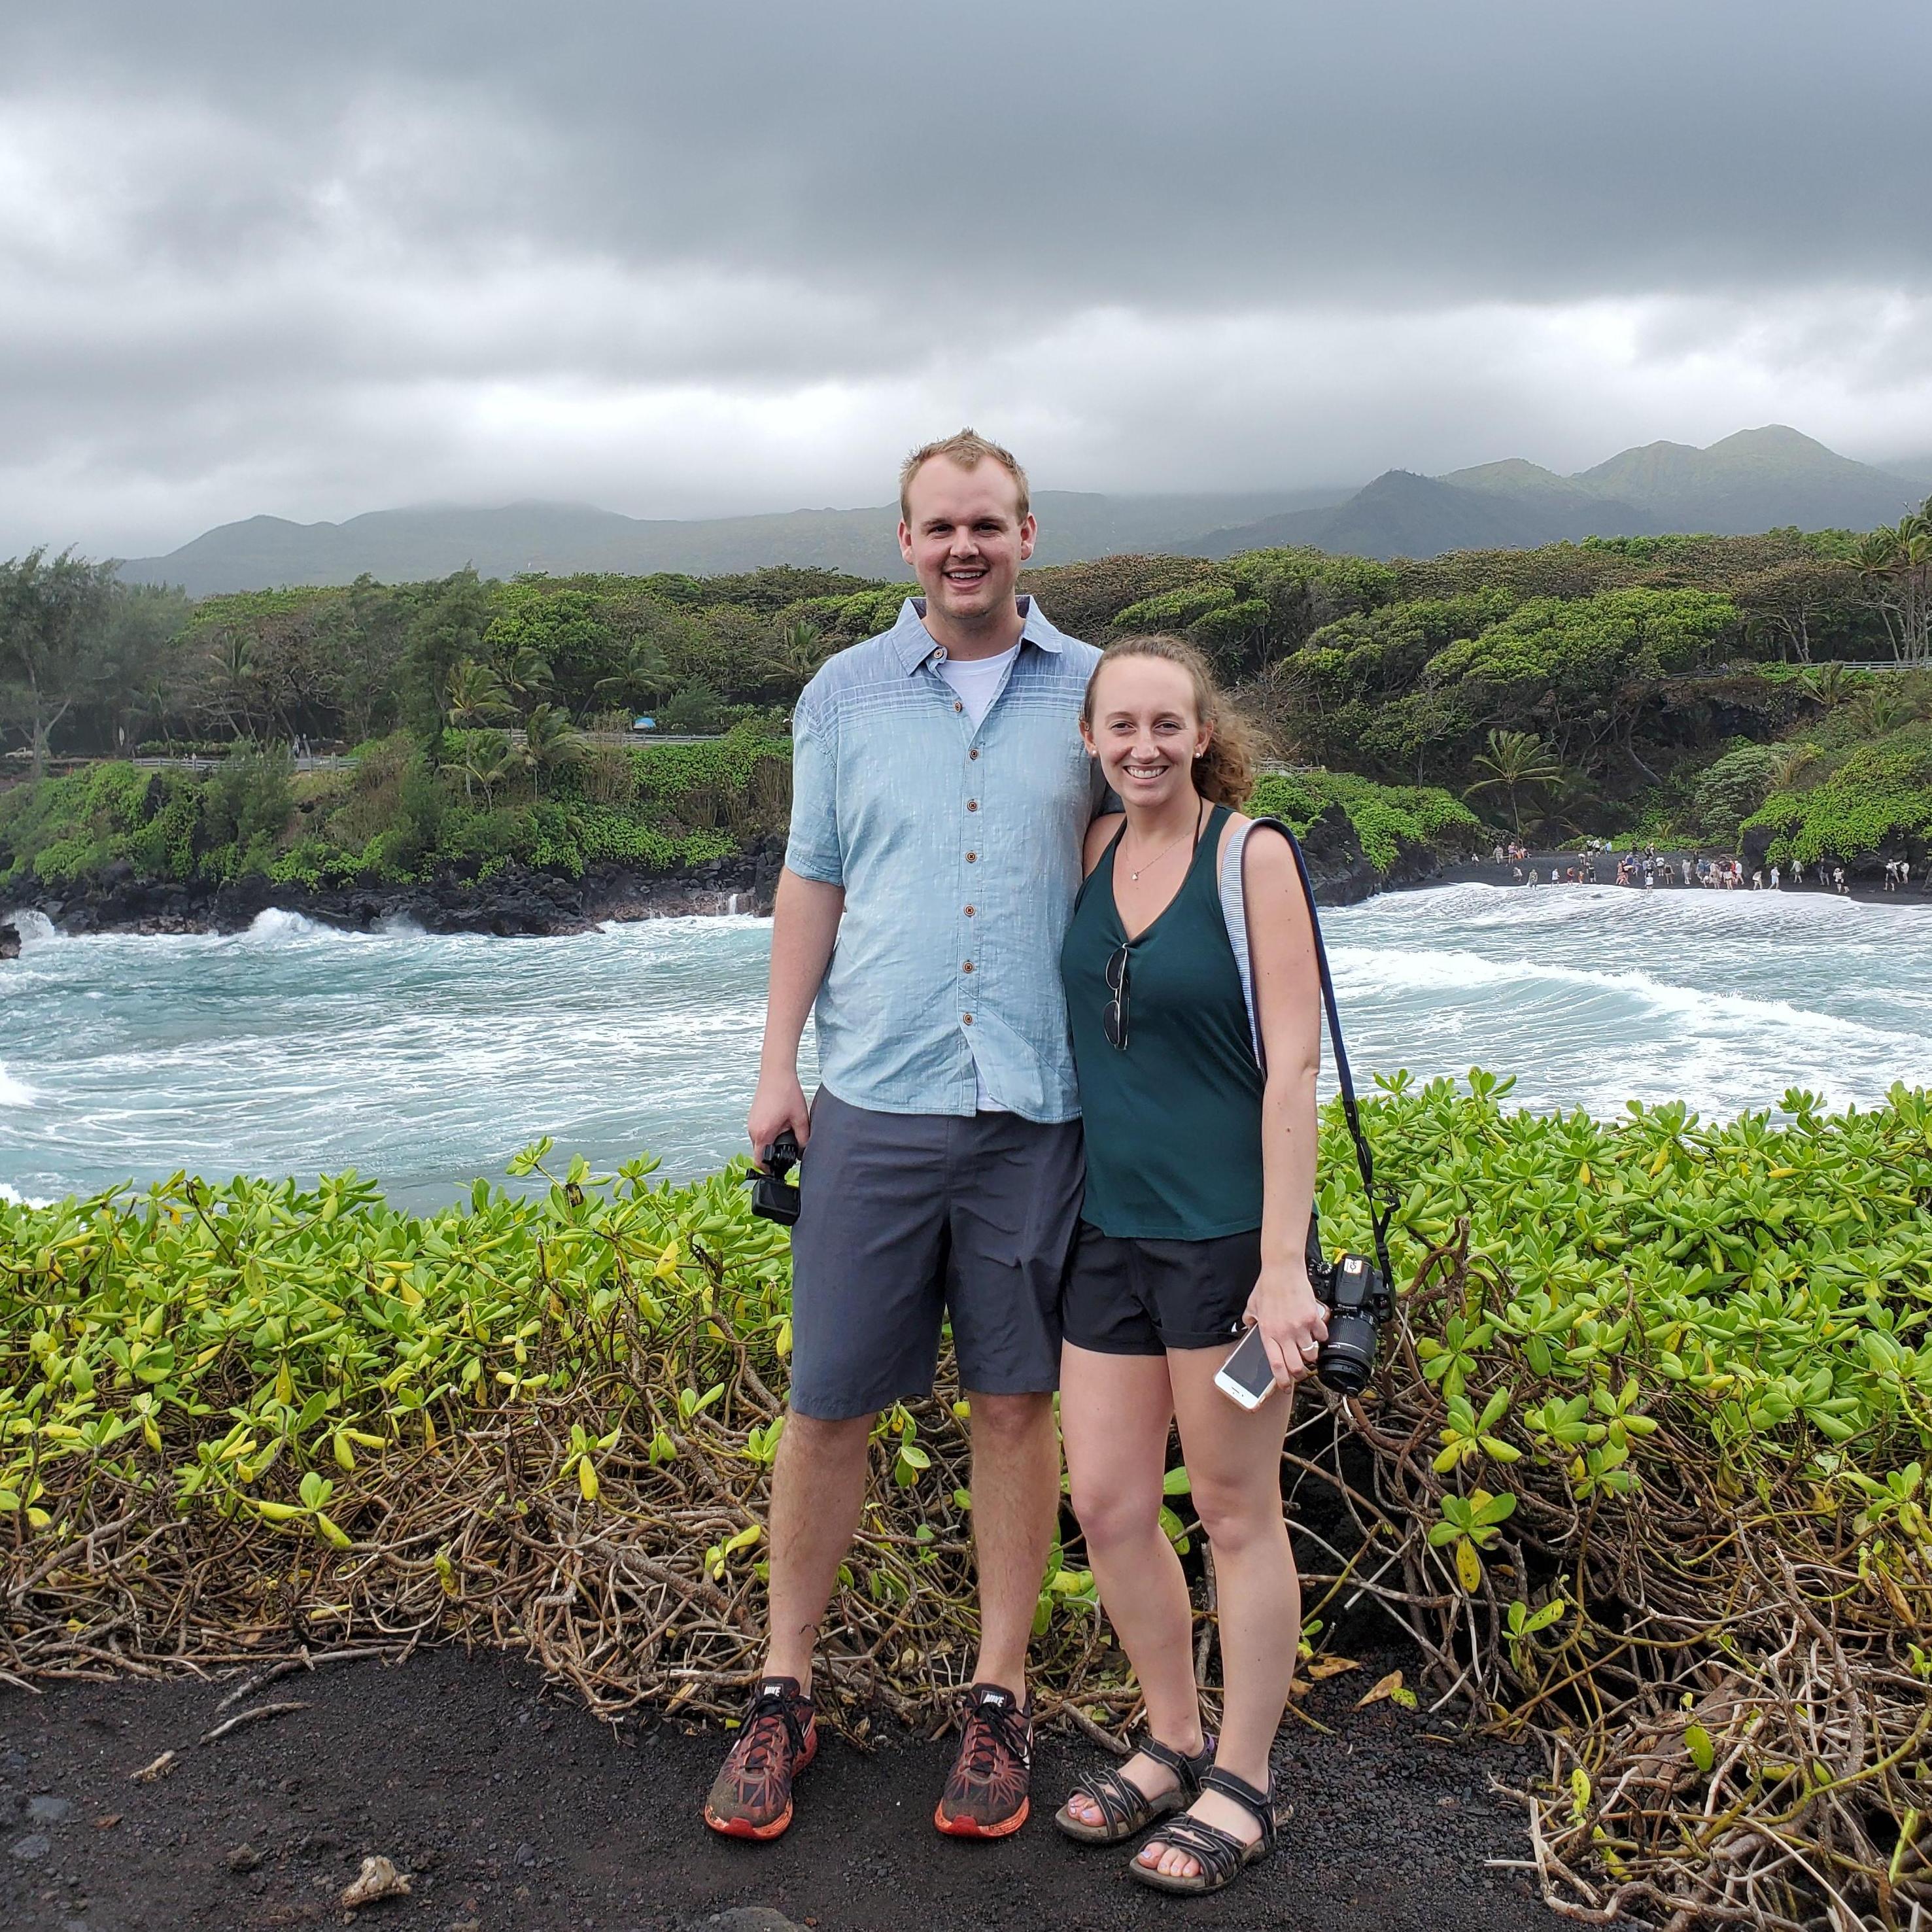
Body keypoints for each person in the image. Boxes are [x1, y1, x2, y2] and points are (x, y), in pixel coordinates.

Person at [704, 430, 1105, 1843]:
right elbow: (811, 880)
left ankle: (997, 1696)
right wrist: (774, 1069)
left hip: (1035, 1110)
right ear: (905, 541)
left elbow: (1134, 878)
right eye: (940, 527)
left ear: (1027, 533)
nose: (963, 548)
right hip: (871, 1095)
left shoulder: (1093, 692)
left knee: (1013, 1401)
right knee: (829, 1403)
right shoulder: (843, 693)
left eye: (986, 524)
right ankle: (781, 1687)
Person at [1052, 635, 1323, 1897]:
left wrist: (1283, 1266)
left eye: (1166, 724)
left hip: (1225, 1245)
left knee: (1230, 1510)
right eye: (1120, 727)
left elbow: (1292, 1067)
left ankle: (1246, 1777)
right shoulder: (1094, 850)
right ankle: (1170, 1735)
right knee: (1108, 1503)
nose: (1143, 746)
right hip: (1108, 1231)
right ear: (1094, 738)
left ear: (1202, 732)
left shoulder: (1251, 856)